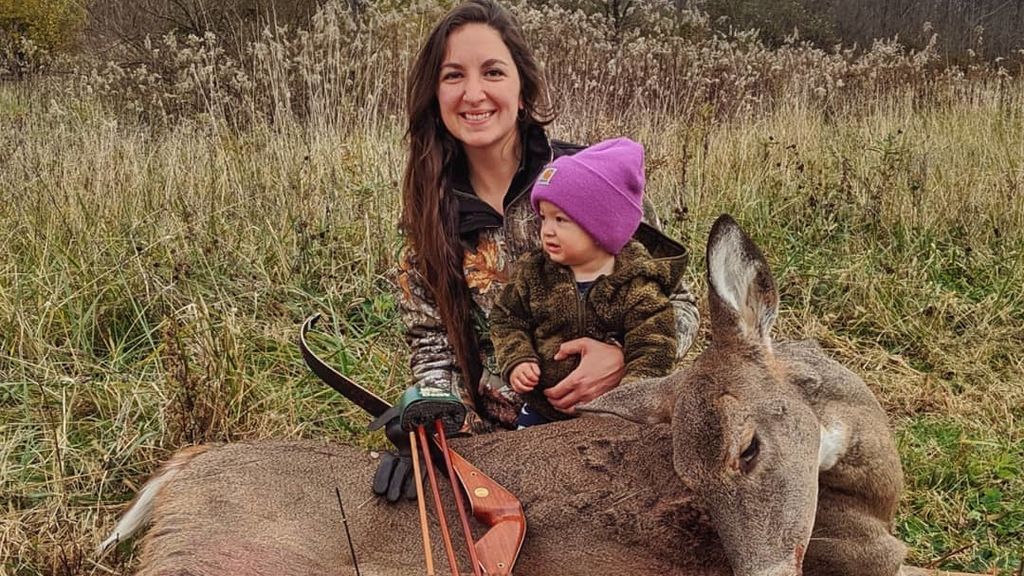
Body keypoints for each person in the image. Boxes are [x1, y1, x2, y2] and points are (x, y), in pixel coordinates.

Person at [372, 0, 699, 501]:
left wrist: (625, 360)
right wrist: (432, 424)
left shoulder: (593, 182)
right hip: (502, 446)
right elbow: (431, 345)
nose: (474, 93)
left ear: (522, 90)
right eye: (453, 75)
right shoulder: (428, 217)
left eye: (493, 72)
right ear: (434, 96)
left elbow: (680, 304)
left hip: (623, 425)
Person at [490, 137, 685, 428]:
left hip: (609, 413)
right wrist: (518, 359)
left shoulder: (637, 283)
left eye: (561, 220)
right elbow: (506, 318)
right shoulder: (534, 273)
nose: (546, 231)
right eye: (543, 218)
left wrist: (629, 401)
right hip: (543, 410)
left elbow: (653, 348)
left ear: (601, 226)